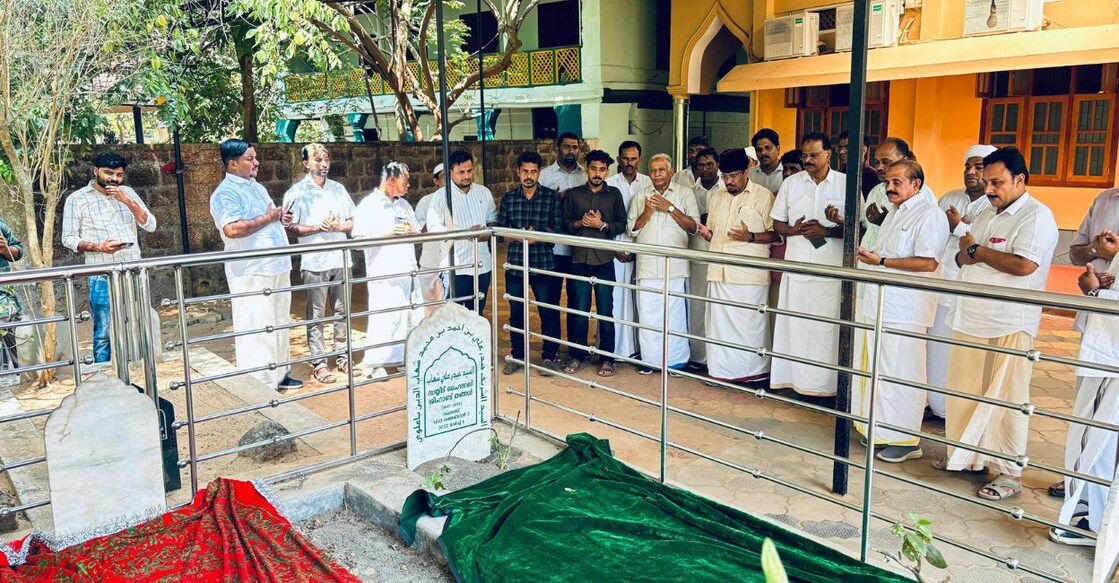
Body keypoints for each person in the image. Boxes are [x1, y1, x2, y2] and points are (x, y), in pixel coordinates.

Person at [939, 147, 1058, 501]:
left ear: (1020, 180)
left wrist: (977, 252)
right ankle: (970, 458)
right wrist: (973, 253)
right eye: (988, 182)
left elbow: (1023, 265)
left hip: (1009, 321)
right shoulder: (986, 212)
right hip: (972, 315)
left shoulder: (1036, 216)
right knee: (966, 392)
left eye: (998, 182)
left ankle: (1010, 474)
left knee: (1007, 398)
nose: (990, 189)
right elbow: (962, 255)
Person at [847, 160, 948, 463]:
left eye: (897, 182)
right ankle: (879, 430)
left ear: (916, 185)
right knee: (877, 370)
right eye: (888, 181)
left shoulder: (930, 216)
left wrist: (881, 263)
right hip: (879, 304)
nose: (889, 187)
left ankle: (905, 440)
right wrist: (875, 260)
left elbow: (928, 262)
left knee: (901, 372)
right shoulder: (893, 213)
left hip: (906, 310)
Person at [209, 140, 301, 391]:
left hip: (276, 265)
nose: (256, 162)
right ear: (232, 163)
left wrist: (280, 219)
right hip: (251, 269)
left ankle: (280, 373)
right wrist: (268, 217)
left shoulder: (257, 188)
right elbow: (232, 229)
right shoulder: (225, 193)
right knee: (256, 324)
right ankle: (259, 382)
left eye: (255, 157)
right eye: (249, 159)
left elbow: (268, 219)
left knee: (279, 319)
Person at [769, 132, 850, 398]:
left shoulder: (847, 184)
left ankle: (826, 389)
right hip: (797, 266)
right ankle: (793, 384)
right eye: (804, 155)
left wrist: (827, 231)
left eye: (814, 155)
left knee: (825, 330)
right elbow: (777, 223)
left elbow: (859, 230)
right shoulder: (792, 183)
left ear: (829, 154)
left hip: (830, 271)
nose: (808, 160)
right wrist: (792, 230)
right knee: (796, 326)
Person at [62, 151, 157, 366]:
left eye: (118, 175)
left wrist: (128, 201)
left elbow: (150, 225)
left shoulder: (128, 193)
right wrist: (99, 247)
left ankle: (138, 373)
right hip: (100, 273)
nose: (113, 179)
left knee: (137, 322)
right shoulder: (77, 199)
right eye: (108, 173)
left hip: (133, 270)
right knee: (104, 328)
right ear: (95, 171)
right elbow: (68, 238)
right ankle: (104, 377)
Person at [1050, 256, 1119, 547]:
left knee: (1099, 441)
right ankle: (1090, 508)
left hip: (1112, 357)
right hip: (1108, 351)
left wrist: (1095, 293)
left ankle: (1098, 524)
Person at [926, 145, 996, 418]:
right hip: (942, 285)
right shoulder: (949, 198)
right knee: (937, 350)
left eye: (978, 167)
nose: (971, 172)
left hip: (970, 292)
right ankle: (936, 404)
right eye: (968, 166)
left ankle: (956, 413)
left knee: (963, 356)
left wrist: (960, 227)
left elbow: (986, 244)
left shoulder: (993, 204)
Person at [696, 148, 776, 386]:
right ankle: (721, 373)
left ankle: (754, 375)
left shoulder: (762, 196)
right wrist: (706, 233)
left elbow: (776, 236)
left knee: (749, 328)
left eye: (733, 176)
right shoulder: (717, 196)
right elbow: (714, 232)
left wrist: (750, 236)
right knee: (718, 327)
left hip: (748, 276)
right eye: (724, 176)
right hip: (719, 272)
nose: (728, 181)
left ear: (746, 172)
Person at [282, 143, 356, 384]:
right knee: (315, 314)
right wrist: (318, 227)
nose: (323, 164)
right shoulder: (296, 192)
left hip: (341, 258)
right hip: (314, 261)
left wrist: (338, 227)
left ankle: (343, 357)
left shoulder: (338, 189)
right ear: (306, 163)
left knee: (342, 311)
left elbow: (353, 221)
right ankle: (320, 362)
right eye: (317, 160)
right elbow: (289, 228)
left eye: (326, 159)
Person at [627, 153, 699, 375]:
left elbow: (694, 227)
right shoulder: (641, 196)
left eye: (661, 170)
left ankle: (676, 363)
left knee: (674, 316)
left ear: (671, 171)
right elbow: (632, 230)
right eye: (653, 170)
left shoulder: (685, 194)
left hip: (674, 266)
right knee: (648, 315)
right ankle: (650, 361)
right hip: (647, 266)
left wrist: (670, 208)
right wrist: (648, 211)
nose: (657, 174)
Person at [352, 161, 425, 379]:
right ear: (391, 180)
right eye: (405, 180)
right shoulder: (369, 204)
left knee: (409, 316)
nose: (409, 185)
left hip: (407, 269)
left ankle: (403, 358)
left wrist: (412, 231)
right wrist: (387, 233)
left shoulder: (404, 205)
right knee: (385, 316)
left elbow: (417, 233)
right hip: (384, 271)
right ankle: (378, 362)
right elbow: (358, 239)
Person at [496, 151, 563, 376]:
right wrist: (518, 236)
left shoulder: (550, 197)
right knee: (517, 312)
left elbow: (559, 230)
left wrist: (539, 236)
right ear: (518, 171)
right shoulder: (509, 198)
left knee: (548, 312)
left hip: (544, 264)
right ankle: (517, 356)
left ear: (539, 173)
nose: (529, 176)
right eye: (525, 171)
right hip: (516, 265)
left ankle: (549, 357)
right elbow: (499, 233)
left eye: (533, 171)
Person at [563, 150, 627, 377]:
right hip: (579, 260)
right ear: (587, 169)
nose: (597, 174)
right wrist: (581, 222)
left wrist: (602, 225)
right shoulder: (574, 195)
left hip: (604, 261)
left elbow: (621, 224)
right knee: (578, 311)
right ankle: (577, 355)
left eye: (602, 169)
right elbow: (565, 224)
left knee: (605, 311)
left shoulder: (614, 195)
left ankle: (607, 358)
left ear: (607, 171)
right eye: (593, 168)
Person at [425, 150, 497, 314]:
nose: (467, 175)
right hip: (455, 267)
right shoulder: (440, 196)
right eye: (461, 172)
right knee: (452, 315)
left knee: (477, 313)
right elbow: (433, 229)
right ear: (450, 172)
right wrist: (463, 233)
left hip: (482, 265)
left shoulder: (483, 192)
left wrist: (486, 232)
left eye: (469, 171)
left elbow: (493, 219)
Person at [605, 141, 652, 362]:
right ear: (618, 159)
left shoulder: (649, 183)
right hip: (614, 249)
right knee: (615, 299)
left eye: (633, 159)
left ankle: (641, 349)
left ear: (639, 160)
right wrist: (615, 249)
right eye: (625, 158)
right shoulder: (609, 184)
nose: (629, 163)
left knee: (640, 301)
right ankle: (614, 350)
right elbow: (605, 220)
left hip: (641, 250)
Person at [539, 131, 588, 332]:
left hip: (578, 250)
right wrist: (555, 200)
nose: (571, 151)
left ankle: (576, 351)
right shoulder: (544, 175)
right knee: (551, 303)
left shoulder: (585, 175)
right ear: (557, 148)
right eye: (567, 147)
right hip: (553, 250)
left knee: (578, 303)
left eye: (575, 147)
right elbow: (537, 208)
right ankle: (551, 350)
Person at [862, 138, 936, 252]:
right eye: (877, 162)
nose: (879, 167)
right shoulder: (875, 191)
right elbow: (867, 227)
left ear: (905, 160)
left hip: (891, 266)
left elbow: (924, 240)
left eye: (886, 162)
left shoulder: (921, 194)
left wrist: (886, 223)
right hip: (865, 263)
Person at [687, 147, 723, 369]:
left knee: (718, 308)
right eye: (701, 165)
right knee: (698, 307)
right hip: (698, 255)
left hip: (720, 256)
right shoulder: (690, 191)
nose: (705, 169)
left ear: (717, 165)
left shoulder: (726, 190)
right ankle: (699, 357)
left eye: (709, 164)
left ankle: (718, 359)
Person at [414, 163, 449, 315]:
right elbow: (419, 229)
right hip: (431, 260)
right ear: (436, 181)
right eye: (443, 177)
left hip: (449, 260)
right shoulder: (426, 201)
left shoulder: (457, 199)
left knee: (449, 305)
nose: (447, 181)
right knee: (429, 306)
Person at [0, 217, 24, 387]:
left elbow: (18, 251)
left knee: (12, 334)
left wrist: (5, 249)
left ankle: (16, 376)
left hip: (5, 297)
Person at [836, 130, 878, 197]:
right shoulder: (840, 172)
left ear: (864, 150)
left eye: (847, 147)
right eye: (840, 147)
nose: (841, 152)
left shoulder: (873, 176)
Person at [749, 129, 784, 194]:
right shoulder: (749, 175)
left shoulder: (787, 173)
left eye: (767, 148)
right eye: (759, 150)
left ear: (778, 149)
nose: (763, 153)